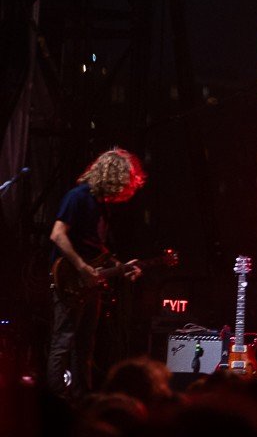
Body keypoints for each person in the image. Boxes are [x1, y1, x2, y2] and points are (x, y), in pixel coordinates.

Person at [47, 147, 147, 402]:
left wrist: (122, 266)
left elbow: (96, 247)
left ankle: (82, 397)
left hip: (89, 283)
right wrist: (81, 267)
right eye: (126, 182)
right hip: (70, 280)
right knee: (64, 341)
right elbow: (57, 234)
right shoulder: (78, 196)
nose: (127, 190)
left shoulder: (102, 205)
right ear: (113, 176)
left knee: (85, 343)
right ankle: (56, 399)